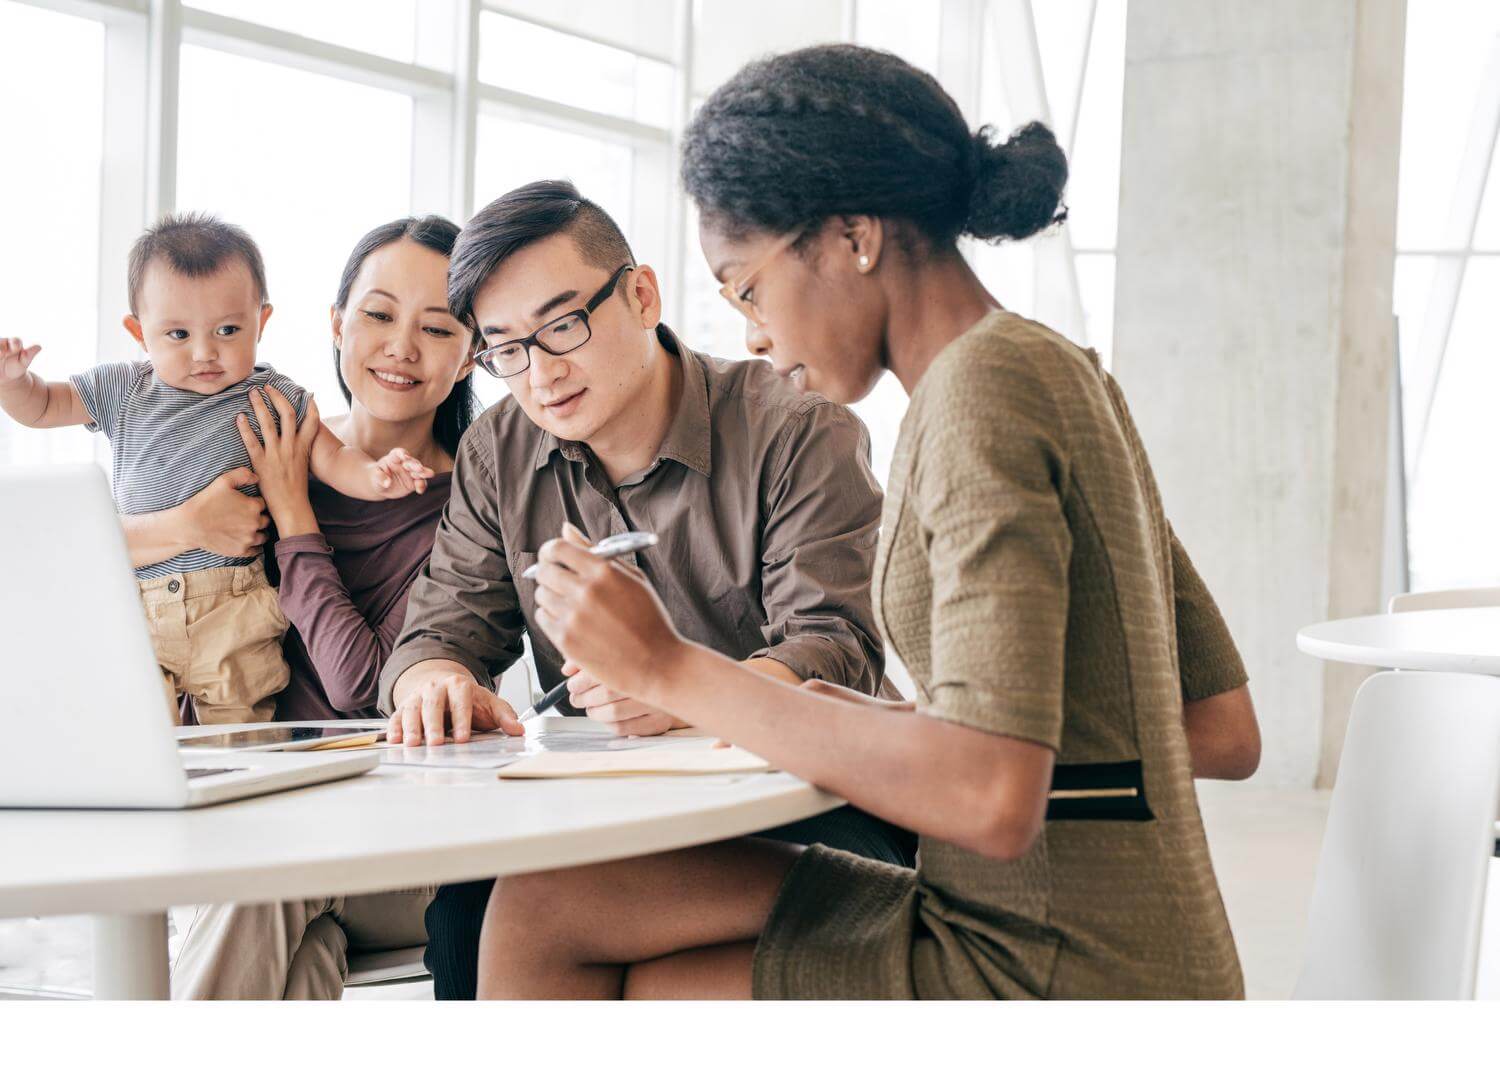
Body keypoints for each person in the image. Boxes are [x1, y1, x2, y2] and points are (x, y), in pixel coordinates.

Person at [474, 44, 1263, 1000]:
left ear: (853, 237)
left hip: (1049, 966)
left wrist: (670, 667)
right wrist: (911, 722)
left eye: (750, 286)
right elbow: (1217, 725)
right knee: (552, 903)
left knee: (557, 925)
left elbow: (988, 793)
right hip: (1077, 930)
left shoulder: (983, 397)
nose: (754, 334)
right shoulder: (1049, 367)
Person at [376, 180, 914, 1000]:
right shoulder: (500, 449)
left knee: (567, 935)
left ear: (640, 295)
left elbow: (836, 647)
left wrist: (680, 692)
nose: (541, 375)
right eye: (506, 350)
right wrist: (436, 683)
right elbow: (440, 629)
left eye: (562, 327)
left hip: (804, 805)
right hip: (606, 810)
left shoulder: (797, 427)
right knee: (463, 919)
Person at [151, 215, 479, 998]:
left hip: (405, 850)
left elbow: (360, 688)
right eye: (378, 314)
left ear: (470, 354)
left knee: (262, 878)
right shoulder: (266, 436)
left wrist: (293, 513)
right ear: (335, 325)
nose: (401, 345)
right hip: (253, 820)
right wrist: (186, 524)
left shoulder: (471, 504)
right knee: (297, 961)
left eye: (436, 327)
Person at [0, 214, 432, 725]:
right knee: (134, 733)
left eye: (228, 330)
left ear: (261, 322)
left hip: (235, 607)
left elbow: (333, 458)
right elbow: (46, 407)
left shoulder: (273, 397)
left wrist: (378, 476)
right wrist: (13, 382)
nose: (205, 353)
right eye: (178, 334)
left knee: (240, 736)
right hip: (138, 603)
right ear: (139, 332)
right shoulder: (124, 389)